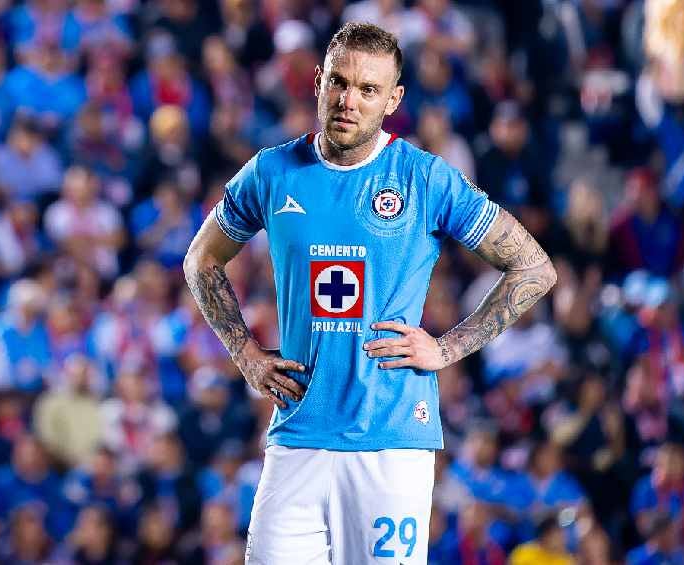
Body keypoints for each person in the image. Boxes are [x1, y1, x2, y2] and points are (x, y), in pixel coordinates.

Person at [182, 22, 557, 564]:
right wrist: (244, 353)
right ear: (318, 81)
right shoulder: (272, 172)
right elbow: (201, 258)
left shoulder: (425, 178)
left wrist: (447, 348)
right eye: (339, 82)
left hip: (392, 443)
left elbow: (533, 266)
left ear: (393, 100)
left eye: (368, 89)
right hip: (298, 434)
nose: (348, 101)